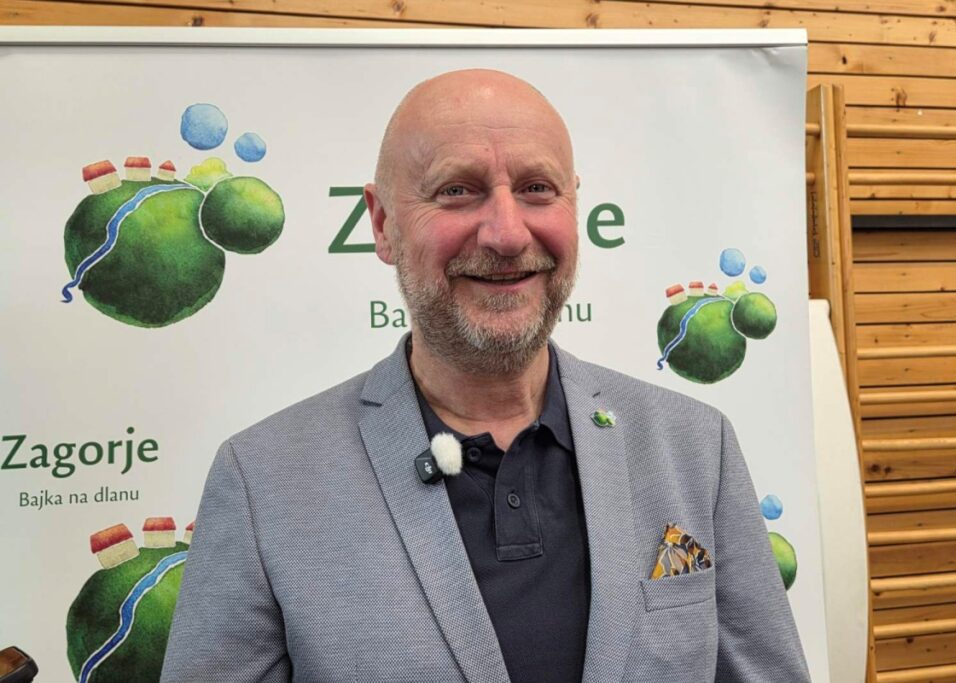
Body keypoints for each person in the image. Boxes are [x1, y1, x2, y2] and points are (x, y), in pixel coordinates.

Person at [161, 69, 810, 683]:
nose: (506, 233)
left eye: (537, 189)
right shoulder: (264, 481)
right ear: (382, 224)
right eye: (457, 190)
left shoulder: (696, 447)